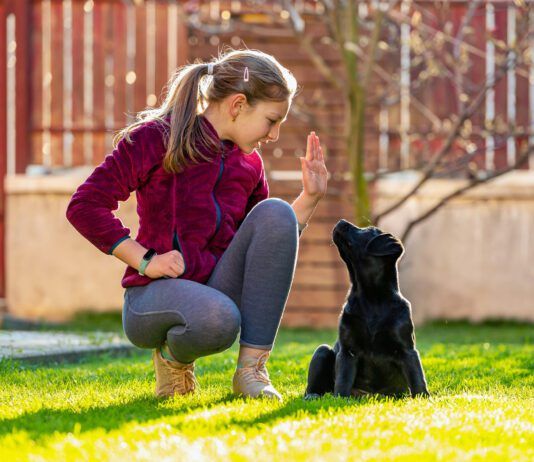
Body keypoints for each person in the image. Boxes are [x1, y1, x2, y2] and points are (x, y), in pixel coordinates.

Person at [66, 48, 328, 401]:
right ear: (237, 105)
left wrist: (309, 198)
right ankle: (172, 360)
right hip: (153, 297)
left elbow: (268, 245)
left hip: (217, 289)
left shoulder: (249, 164)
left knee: (276, 212)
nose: (275, 135)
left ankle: (251, 372)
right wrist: (145, 259)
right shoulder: (156, 138)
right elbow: (84, 205)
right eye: (271, 120)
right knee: (218, 318)